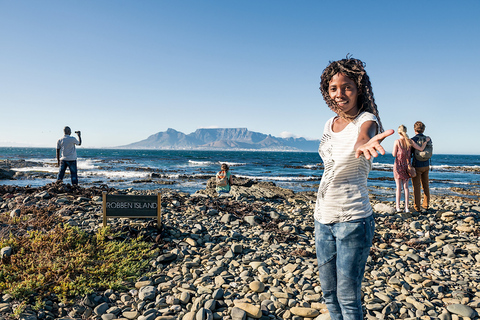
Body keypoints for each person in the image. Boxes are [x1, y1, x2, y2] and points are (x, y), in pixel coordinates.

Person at [314, 57, 394, 320]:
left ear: (359, 88)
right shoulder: (328, 124)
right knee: (329, 294)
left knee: (348, 298)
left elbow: (364, 135)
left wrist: (364, 144)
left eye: (347, 87)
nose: (339, 94)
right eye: (333, 88)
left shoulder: (366, 119)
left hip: (353, 220)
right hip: (322, 219)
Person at [392, 125, 430, 213]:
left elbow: (394, 154)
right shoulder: (410, 141)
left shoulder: (397, 141)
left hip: (398, 165)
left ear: (398, 132)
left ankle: (398, 207)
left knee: (398, 187)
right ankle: (407, 208)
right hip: (407, 166)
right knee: (406, 187)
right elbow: (421, 149)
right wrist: (426, 141)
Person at [411, 121, 432, 212]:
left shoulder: (413, 140)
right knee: (426, 185)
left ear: (414, 129)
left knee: (416, 186)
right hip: (426, 164)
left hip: (417, 165)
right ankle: (426, 205)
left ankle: (417, 207)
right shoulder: (428, 139)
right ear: (423, 129)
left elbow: (410, 153)